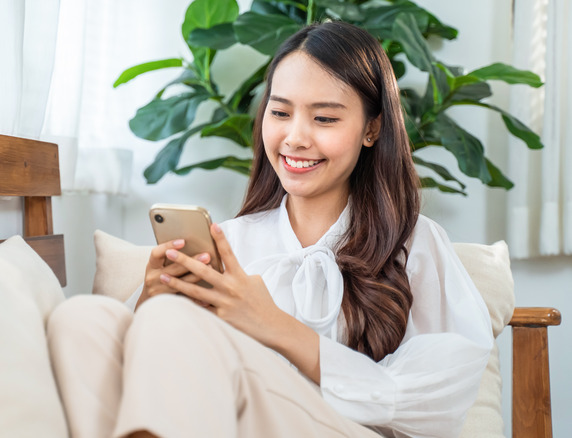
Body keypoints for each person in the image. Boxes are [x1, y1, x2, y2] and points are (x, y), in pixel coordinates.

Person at [47, 21, 492, 438]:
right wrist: (150, 298)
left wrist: (273, 325)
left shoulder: (413, 243)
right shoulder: (233, 243)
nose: (295, 137)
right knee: (81, 320)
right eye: (280, 113)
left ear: (372, 128)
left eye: (325, 118)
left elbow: (443, 396)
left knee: (171, 320)